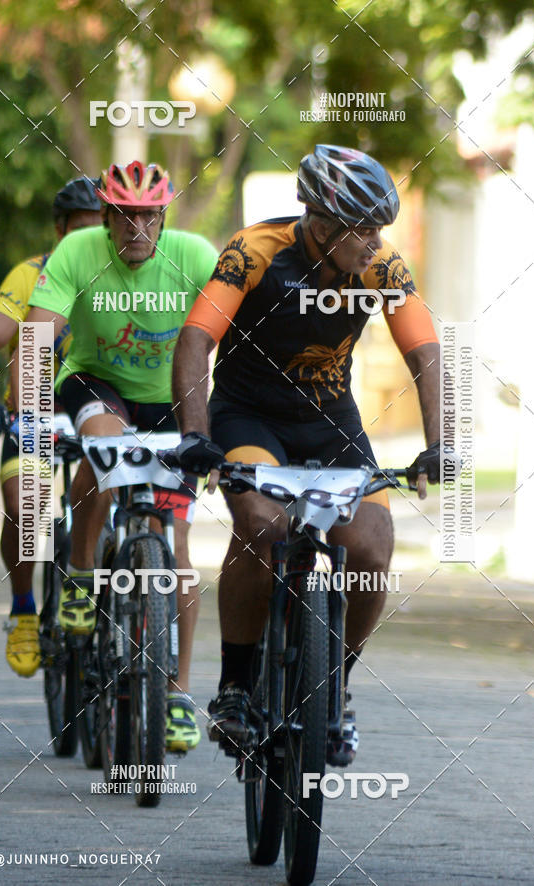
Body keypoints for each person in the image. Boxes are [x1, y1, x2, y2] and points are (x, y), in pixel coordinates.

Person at [172, 144, 442, 766]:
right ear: (321, 226)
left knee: (372, 546)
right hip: (248, 416)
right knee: (262, 526)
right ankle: (236, 687)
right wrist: (194, 432)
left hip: (329, 422)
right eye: (364, 230)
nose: (376, 244)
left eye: (380, 230)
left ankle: (332, 690)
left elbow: (426, 353)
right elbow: (194, 341)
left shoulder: (381, 266)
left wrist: (441, 443)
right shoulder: (254, 251)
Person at [12, 160, 218, 752]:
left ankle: (177, 692)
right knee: (104, 450)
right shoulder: (77, 251)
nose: (136, 229)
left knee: (175, 544)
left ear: (163, 216)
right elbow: (37, 336)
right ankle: (79, 574)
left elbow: (238, 329)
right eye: (124, 217)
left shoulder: (194, 253)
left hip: (172, 399)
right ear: (106, 217)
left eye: (148, 217)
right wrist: (29, 414)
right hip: (98, 382)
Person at [0, 177, 102, 679]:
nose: (86, 238)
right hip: (35, 408)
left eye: (97, 227)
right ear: (59, 229)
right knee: (27, 508)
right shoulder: (32, 275)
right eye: (77, 229)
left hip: (101, 408)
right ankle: (24, 608)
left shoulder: (123, 275)